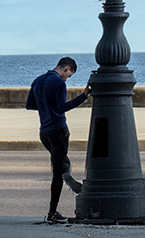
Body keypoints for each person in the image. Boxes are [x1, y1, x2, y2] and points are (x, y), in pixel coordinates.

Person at [27, 57, 88, 222]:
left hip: (44, 132)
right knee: (58, 172)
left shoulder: (38, 81)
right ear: (67, 69)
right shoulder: (59, 83)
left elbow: (30, 105)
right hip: (58, 130)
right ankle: (52, 212)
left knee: (61, 164)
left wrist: (46, 106)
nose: (67, 78)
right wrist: (83, 96)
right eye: (69, 75)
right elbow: (62, 108)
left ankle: (65, 172)